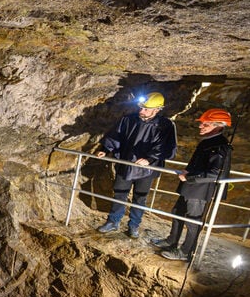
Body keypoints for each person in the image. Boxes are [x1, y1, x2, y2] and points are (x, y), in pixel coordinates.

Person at [151, 109, 233, 261]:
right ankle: (171, 241)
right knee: (177, 212)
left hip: (200, 190)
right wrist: (188, 173)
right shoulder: (208, 142)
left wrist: (189, 177)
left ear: (218, 126)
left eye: (205, 124)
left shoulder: (220, 146)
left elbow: (214, 174)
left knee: (193, 221)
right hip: (191, 187)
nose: (201, 126)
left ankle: (185, 252)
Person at [95, 92, 178, 238]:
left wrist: (149, 159)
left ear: (157, 109)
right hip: (127, 163)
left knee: (140, 197)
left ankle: (134, 225)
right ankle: (113, 221)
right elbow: (116, 135)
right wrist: (105, 149)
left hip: (147, 169)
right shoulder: (128, 119)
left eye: (146, 109)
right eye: (141, 107)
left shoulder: (165, 125)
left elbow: (166, 147)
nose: (141, 111)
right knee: (120, 193)